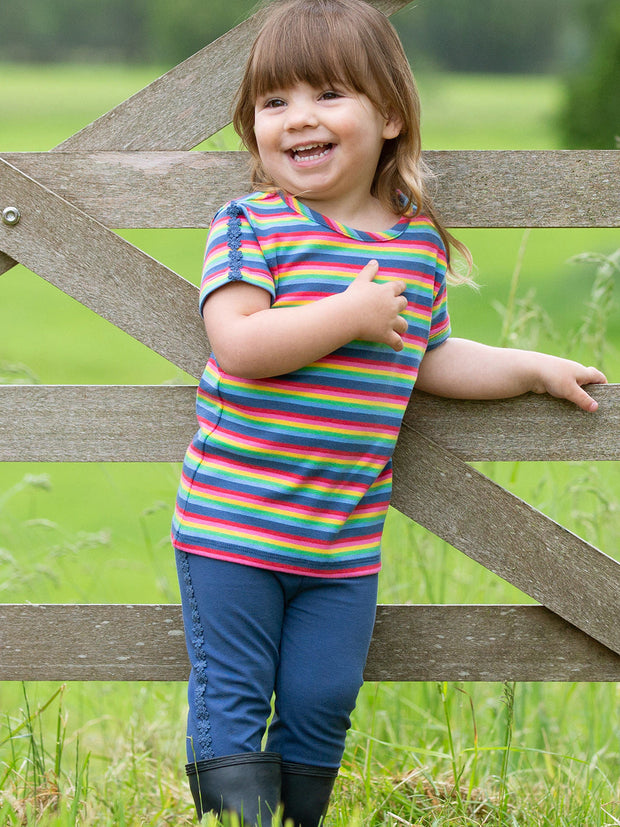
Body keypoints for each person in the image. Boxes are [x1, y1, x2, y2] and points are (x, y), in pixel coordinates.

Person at [171, 0, 608, 824]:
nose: (299, 118)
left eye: (328, 93)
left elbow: (430, 356)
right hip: (233, 527)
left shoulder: (415, 243)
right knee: (232, 696)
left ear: (391, 114)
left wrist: (531, 366)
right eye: (274, 102)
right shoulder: (252, 222)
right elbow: (239, 342)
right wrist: (351, 312)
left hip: (343, 539)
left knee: (323, 696)